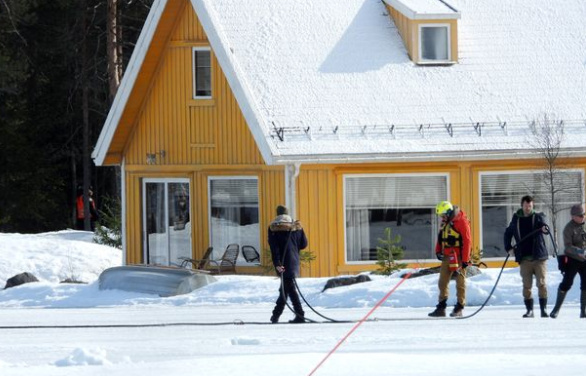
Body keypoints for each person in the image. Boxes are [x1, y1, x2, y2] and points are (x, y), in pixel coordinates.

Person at [504, 195, 550, 318]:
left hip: (539, 258)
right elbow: (508, 233)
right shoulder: (516, 219)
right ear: (522, 206)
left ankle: (543, 309)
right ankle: (529, 310)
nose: (528, 208)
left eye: (530, 206)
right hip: (524, 258)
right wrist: (508, 247)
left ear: (532, 206)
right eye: (526, 205)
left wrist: (545, 229)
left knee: (541, 283)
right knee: (527, 285)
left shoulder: (538, 217)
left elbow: (544, 225)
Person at [428, 201, 472, 318]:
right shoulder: (445, 221)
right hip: (448, 255)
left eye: (443, 214)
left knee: (460, 282)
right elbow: (441, 237)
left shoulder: (461, 221)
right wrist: (438, 250)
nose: (441, 217)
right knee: (442, 282)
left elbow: (467, 241)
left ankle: (459, 307)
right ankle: (441, 307)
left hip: (459, 256)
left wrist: (465, 260)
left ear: (448, 212)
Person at [269, 205, 308, 324]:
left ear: (277, 214)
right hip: (293, 262)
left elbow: (274, 248)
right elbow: (303, 244)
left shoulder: (273, 228)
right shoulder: (296, 227)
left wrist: (277, 263)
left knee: (288, 289)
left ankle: (299, 315)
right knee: (286, 289)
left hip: (281, 263)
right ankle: (277, 315)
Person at [550, 204, 586, 318]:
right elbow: (568, 247)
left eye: (584, 214)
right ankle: (556, 309)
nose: (583, 217)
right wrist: (579, 251)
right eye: (580, 215)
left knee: (585, 284)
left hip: (585, 261)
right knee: (567, 283)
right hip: (573, 260)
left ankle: (583, 311)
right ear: (573, 216)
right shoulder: (568, 228)